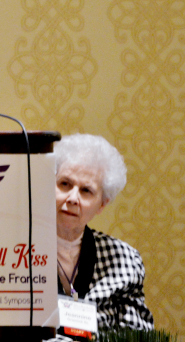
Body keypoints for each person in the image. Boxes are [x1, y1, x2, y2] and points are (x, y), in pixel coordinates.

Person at [53, 134, 153, 339]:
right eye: (64, 184)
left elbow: (136, 336)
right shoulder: (13, 253)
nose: (72, 198)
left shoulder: (124, 260)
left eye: (86, 191)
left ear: (102, 204)